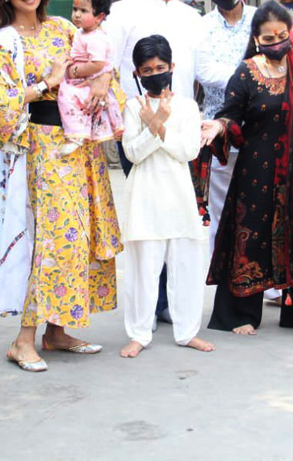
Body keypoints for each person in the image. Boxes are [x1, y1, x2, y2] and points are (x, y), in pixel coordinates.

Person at [0, 0, 121, 372]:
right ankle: (22, 340)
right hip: (42, 146)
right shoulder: (4, 42)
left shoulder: (63, 28)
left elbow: (97, 65)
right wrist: (46, 83)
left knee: (79, 238)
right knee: (52, 240)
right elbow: (0, 102)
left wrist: (100, 79)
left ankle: (57, 331)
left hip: (80, 144)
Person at [105, 0, 204, 326]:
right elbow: (108, 68)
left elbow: (199, 74)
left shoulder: (191, 16)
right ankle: (150, 305)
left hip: (179, 126)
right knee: (148, 220)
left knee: (178, 217)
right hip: (139, 124)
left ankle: (174, 305)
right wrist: (125, 119)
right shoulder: (124, 12)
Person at [200, 0, 293, 335]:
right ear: (257, 39)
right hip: (255, 169)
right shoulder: (247, 71)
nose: (277, 43)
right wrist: (218, 127)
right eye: (269, 38)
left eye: (282, 36)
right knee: (250, 234)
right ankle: (239, 313)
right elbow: (231, 113)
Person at [120, 35, 214, 358]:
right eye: (147, 70)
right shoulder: (133, 107)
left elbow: (188, 151)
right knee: (143, 268)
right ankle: (138, 334)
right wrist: (153, 124)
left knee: (186, 264)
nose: (155, 73)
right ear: (137, 74)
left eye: (160, 67)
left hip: (178, 196)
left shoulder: (187, 106)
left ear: (172, 68)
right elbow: (132, 154)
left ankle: (188, 331)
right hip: (145, 197)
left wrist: (158, 127)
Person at [195, 0, 257, 255]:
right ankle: (221, 270)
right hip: (219, 133)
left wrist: (235, 75)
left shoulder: (261, 20)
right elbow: (205, 71)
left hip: (259, 130)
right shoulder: (201, 27)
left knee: (258, 204)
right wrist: (250, 77)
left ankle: (262, 277)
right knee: (220, 207)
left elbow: (275, 63)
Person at [58, 0, 125, 155]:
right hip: (86, 75)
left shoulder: (95, 38)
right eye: (75, 9)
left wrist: (72, 72)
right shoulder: (83, 32)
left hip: (88, 77)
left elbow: (97, 64)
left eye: (83, 11)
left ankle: (76, 134)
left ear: (99, 17)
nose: (77, 15)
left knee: (68, 97)